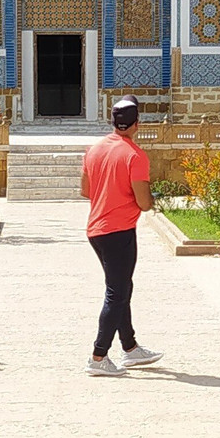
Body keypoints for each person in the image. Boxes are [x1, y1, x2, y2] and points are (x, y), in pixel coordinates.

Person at [79, 95, 164, 376]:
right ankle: (98, 357)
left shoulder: (94, 150)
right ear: (137, 124)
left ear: (113, 123)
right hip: (119, 231)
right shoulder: (135, 156)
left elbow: (86, 191)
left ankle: (130, 347)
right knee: (117, 294)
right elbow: (144, 203)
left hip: (97, 229)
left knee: (121, 287)